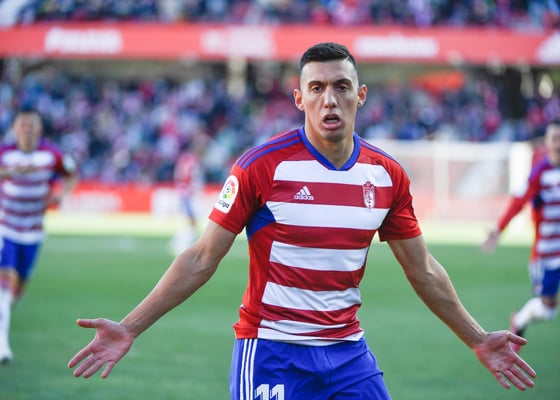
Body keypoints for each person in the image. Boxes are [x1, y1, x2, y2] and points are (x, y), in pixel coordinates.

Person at [68, 42, 536, 398]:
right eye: (317, 88)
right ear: (299, 98)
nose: (329, 99)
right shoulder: (261, 167)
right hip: (272, 353)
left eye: (341, 87)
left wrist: (477, 339)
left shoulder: (386, 175)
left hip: (348, 354)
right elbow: (201, 258)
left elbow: (424, 270)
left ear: (361, 95)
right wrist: (130, 326)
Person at [0, 107, 78, 363]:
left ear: (39, 128)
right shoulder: (5, 153)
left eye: (31, 124)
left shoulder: (52, 155)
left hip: (33, 232)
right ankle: (2, 346)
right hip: (5, 227)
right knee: (4, 285)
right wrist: (11, 173)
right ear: (15, 128)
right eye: (22, 124)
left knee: (17, 291)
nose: (27, 129)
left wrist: (61, 194)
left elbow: (71, 173)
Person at [481, 119, 560, 353]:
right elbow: (518, 202)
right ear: (547, 143)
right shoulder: (540, 174)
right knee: (547, 310)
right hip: (547, 255)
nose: (558, 144)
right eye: (554, 139)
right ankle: (520, 320)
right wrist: (498, 229)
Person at [169, 143, 204, 256]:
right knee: (193, 221)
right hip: (189, 193)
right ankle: (181, 244)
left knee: (191, 220)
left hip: (182, 191)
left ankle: (180, 243)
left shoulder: (184, 159)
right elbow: (193, 178)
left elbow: (177, 175)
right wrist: (193, 190)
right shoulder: (194, 161)